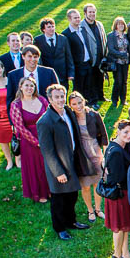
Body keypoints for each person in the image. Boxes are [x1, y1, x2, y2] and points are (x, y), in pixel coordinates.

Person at [36, 84, 91, 241]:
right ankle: (60, 228)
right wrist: (58, 171)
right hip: (58, 166)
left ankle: (71, 221)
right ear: (50, 99)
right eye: (57, 97)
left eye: (62, 96)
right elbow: (47, 151)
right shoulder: (45, 122)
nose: (60, 100)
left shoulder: (67, 112)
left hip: (72, 160)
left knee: (72, 195)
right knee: (59, 199)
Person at [67, 92, 106, 223]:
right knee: (85, 185)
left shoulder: (93, 115)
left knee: (97, 182)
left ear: (84, 101)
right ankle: (90, 210)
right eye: (74, 104)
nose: (78, 106)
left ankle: (98, 209)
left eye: (80, 102)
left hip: (95, 150)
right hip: (81, 154)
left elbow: (104, 134)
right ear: (70, 106)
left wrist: (105, 153)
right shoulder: (70, 117)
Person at [9, 77, 49, 202]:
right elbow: (20, 127)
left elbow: (50, 116)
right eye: (26, 85)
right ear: (20, 87)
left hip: (46, 136)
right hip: (29, 141)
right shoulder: (16, 104)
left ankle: (50, 190)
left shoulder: (42, 100)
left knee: (47, 165)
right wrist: (37, 142)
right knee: (35, 167)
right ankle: (39, 193)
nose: (29, 88)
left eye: (31, 86)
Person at [102, 119, 130, 258]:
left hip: (118, 192)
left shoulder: (115, 145)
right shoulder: (116, 151)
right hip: (119, 193)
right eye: (126, 132)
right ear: (118, 131)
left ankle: (124, 253)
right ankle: (117, 254)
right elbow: (117, 176)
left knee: (123, 226)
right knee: (120, 227)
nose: (129, 136)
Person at [62, 8, 93, 100]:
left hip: (87, 62)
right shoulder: (66, 34)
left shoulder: (83, 29)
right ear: (69, 19)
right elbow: (68, 53)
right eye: (75, 18)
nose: (78, 20)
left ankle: (88, 103)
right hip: (77, 65)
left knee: (88, 85)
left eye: (79, 17)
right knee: (79, 88)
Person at [80, 3, 107, 107]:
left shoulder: (99, 24)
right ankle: (93, 100)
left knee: (100, 78)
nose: (92, 14)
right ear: (85, 13)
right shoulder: (81, 26)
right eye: (90, 12)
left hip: (101, 57)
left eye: (94, 12)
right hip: (90, 59)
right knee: (91, 81)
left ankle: (101, 96)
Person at [35, 19, 74, 87]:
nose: (51, 29)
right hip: (47, 75)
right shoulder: (38, 40)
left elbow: (69, 56)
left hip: (62, 74)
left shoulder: (63, 39)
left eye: (53, 26)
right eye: (49, 27)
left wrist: (70, 73)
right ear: (43, 29)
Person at [105, 17, 130, 106]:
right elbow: (111, 49)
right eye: (119, 24)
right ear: (115, 25)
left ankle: (123, 99)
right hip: (116, 62)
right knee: (118, 81)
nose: (121, 26)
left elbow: (128, 47)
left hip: (125, 62)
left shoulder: (126, 35)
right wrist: (122, 55)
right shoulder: (111, 36)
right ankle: (114, 99)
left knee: (124, 81)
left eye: (122, 24)